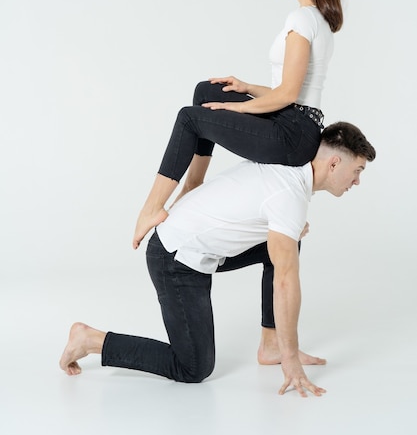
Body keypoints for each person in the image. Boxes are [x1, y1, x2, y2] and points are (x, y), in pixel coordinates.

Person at [60, 122, 376, 398]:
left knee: (287, 245)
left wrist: (287, 232)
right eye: (357, 171)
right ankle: (91, 340)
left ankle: (270, 345)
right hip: (174, 258)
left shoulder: (288, 168)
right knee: (193, 367)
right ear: (334, 163)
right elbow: (284, 280)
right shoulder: (290, 197)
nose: (357, 182)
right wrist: (292, 358)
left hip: (194, 244)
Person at [133, 0, 343, 247]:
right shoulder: (316, 21)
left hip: (292, 135)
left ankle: (151, 208)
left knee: (189, 118)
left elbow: (287, 95)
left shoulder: (301, 21)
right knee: (207, 91)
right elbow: (295, 93)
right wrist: (246, 88)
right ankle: (193, 183)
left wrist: (237, 109)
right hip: (296, 123)